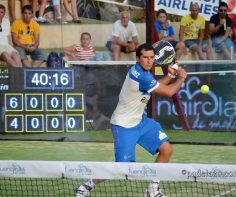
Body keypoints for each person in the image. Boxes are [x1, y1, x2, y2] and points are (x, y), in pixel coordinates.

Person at [75, 43, 187, 197]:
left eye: (151, 58)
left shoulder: (144, 74)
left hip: (141, 121)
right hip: (124, 125)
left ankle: (152, 190)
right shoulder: (140, 75)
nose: (149, 61)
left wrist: (171, 76)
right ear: (137, 59)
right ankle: (87, 185)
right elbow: (168, 92)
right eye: (145, 58)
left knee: (166, 150)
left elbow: (156, 86)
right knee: (122, 168)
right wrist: (180, 78)